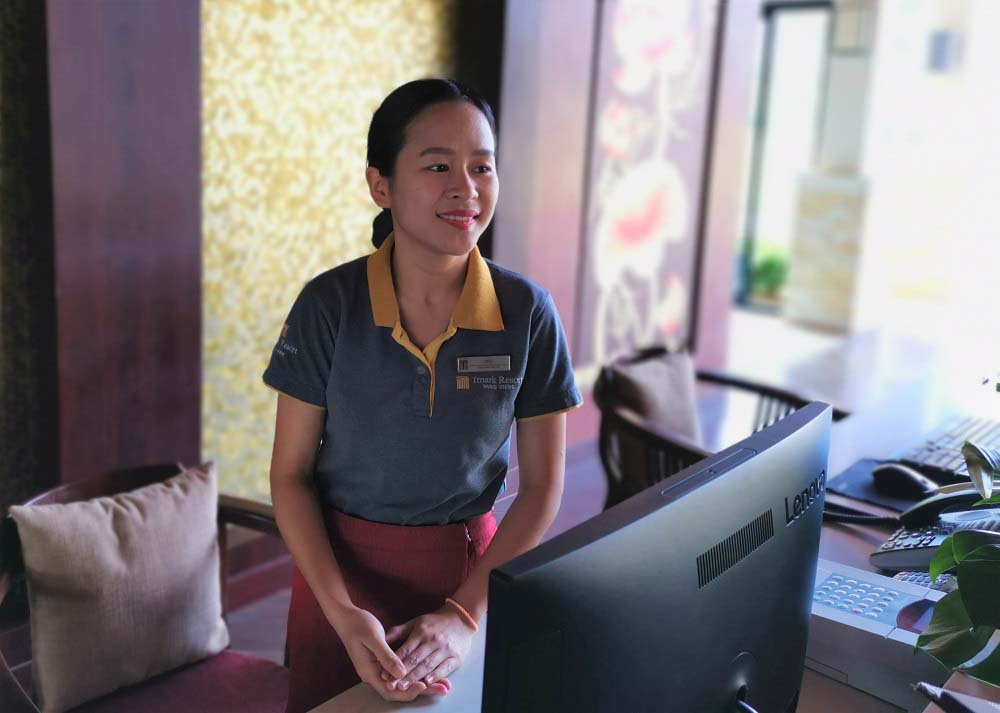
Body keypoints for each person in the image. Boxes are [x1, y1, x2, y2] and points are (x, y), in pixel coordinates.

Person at [263, 78, 583, 713]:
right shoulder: (328, 305)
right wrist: (344, 613)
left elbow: (545, 484)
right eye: (438, 165)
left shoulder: (527, 312)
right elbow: (290, 476)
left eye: (482, 167)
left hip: (470, 570)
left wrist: (464, 613)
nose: (466, 188)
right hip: (339, 575)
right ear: (381, 185)